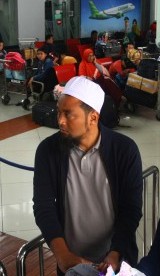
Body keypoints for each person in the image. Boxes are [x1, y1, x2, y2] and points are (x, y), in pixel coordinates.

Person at [33, 76, 143, 274]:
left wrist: (116, 252)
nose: (60, 120)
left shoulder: (124, 151)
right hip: (71, 262)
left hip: (115, 262)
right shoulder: (48, 151)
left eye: (68, 114)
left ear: (93, 117)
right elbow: (44, 206)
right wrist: (63, 256)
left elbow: (131, 209)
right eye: (59, 112)